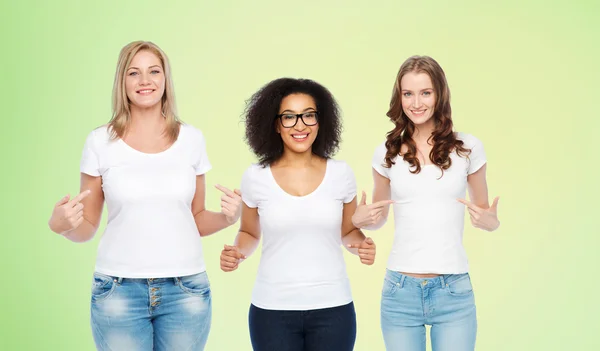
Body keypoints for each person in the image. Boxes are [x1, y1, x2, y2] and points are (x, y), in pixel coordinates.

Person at [47, 40, 241, 351]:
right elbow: (86, 227)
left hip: (186, 290)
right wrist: (61, 225)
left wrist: (229, 218)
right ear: (122, 82)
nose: (145, 81)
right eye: (134, 73)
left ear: (166, 79)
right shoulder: (100, 141)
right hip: (118, 291)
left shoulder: (191, 139)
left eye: (154, 71)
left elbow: (197, 220)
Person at [352, 55, 500, 351]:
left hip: (453, 291)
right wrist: (360, 218)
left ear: (439, 95)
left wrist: (489, 222)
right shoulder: (387, 151)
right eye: (408, 93)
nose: (416, 103)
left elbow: (484, 213)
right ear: (400, 97)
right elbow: (379, 217)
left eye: (425, 93)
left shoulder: (468, 148)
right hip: (400, 291)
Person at [220, 78, 378, 351]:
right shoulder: (255, 177)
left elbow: (348, 231)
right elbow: (249, 232)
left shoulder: (341, 174)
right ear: (276, 125)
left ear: (320, 120)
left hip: (333, 308)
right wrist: (237, 252)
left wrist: (361, 245)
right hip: (271, 311)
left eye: (308, 115)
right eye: (289, 117)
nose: (300, 125)